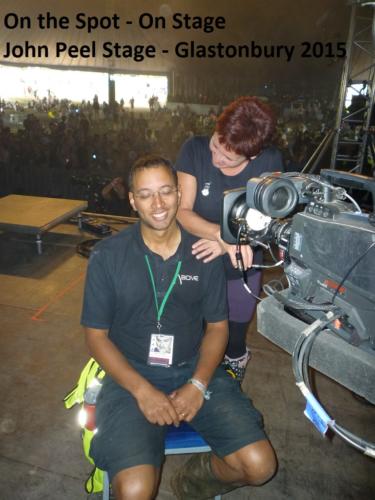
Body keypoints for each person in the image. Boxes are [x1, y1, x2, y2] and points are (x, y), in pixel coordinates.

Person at [81, 154, 277, 499]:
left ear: (178, 194)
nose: (158, 204)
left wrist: (198, 384)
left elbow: (218, 328)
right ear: (132, 200)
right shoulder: (108, 256)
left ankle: (193, 480)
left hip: (192, 368)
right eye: (145, 194)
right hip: (130, 376)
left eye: (166, 191)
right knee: (136, 490)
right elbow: (95, 337)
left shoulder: (203, 254)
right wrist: (143, 391)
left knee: (260, 466)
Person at [175, 96, 284, 380]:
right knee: (194, 329)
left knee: (234, 334)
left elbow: (265, 223)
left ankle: (235, 366)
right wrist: (224, 238)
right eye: (215, 145)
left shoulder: (270, 161)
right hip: (196, 257)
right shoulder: (194, 149)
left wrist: (230, 243)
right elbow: (182, 212)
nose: (216, 158)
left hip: (240, 267)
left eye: (227, 157)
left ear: (253, 157)